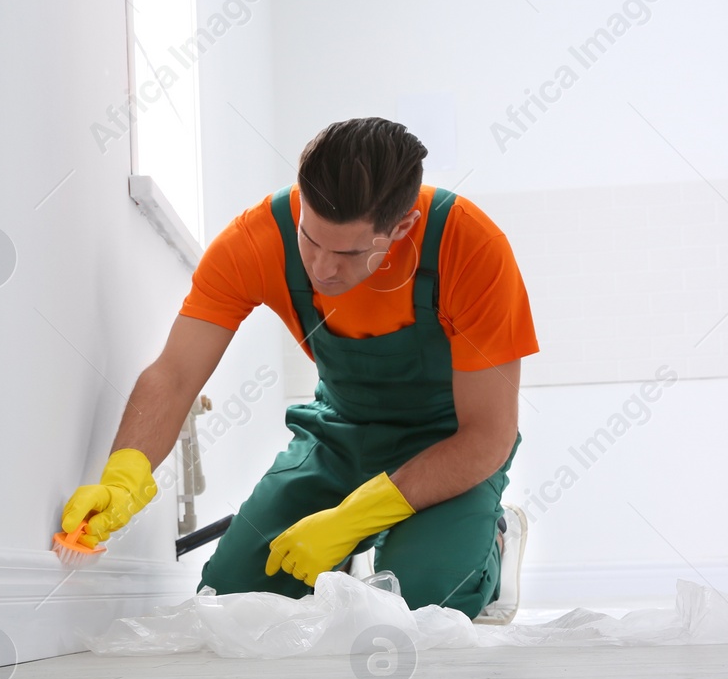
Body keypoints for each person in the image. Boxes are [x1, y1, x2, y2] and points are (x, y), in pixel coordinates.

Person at [58, 117, 539, 618]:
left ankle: (494, 541)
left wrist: (352, 519)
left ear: (402, 227)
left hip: (448, 443)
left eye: (349, 252)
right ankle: (347, 561)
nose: (323, 268)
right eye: (311, 240)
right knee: (233, 602)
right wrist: (123, 476)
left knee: (423, 603)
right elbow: (174, 374)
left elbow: (488, 434)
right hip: (340, 436)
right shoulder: (256, 238)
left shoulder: (470, 247)